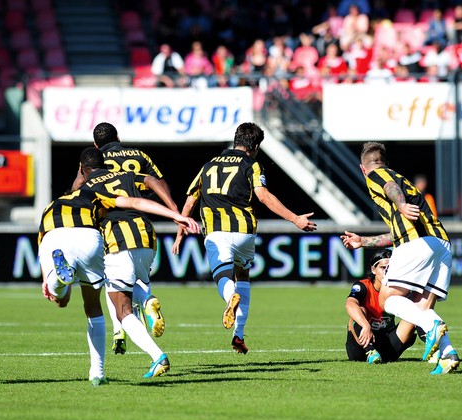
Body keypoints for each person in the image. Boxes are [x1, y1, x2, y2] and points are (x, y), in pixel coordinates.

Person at [38, 148, 199, 383]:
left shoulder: (52, 206)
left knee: (61, 299)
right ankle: (98, 373)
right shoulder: (93, 196)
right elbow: (135, 200)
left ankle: (58, 281)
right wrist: (176, 215)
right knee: (96, 306)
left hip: (54, 237)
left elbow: (43, 245)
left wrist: (45, 279)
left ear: (82, 171)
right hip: (94, 237)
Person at [172, 122, 317, 353]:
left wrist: (180, 233)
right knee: (243, 275)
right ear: (256, 146)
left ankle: (230, 298)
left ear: (235, 139)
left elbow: (190, 201)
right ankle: (238, 335)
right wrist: (295, 219)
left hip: (216, 232)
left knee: (222, 276)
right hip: (244, 233)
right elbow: (264, 196)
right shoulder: (252, 164)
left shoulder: (208, 166)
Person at [340, 141, 459, 375]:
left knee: (389, 300)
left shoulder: (376, 174)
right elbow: (396, 232)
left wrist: (401, 204)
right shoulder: (402, 177)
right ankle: (448, 354)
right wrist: (363, 241)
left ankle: (432, 327)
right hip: (441, 244)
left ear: (363, 168)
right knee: (421, 306)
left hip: (416, 244)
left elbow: (390, 187)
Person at [75, 146, 183, 378]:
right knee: (135, 286)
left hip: (117, 240)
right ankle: (146, 299)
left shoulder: (88, 188)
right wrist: (174, 210)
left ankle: (158, 356)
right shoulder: (124, 175)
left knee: (122, 309)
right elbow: (153, 180)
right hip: (146, 236)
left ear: (83, 169)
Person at [346, 249, 417, 364]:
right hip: (362, 344)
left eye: (391, 268)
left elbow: (418, 311)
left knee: (415, 313)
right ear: (373, 270)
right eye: (383, 268)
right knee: (359, 310)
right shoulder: (363, 286)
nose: (387, 272)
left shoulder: (400, 289)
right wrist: (366, 325)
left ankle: (435, 350)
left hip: (387, 343)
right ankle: (370, 352)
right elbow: (349, 304)